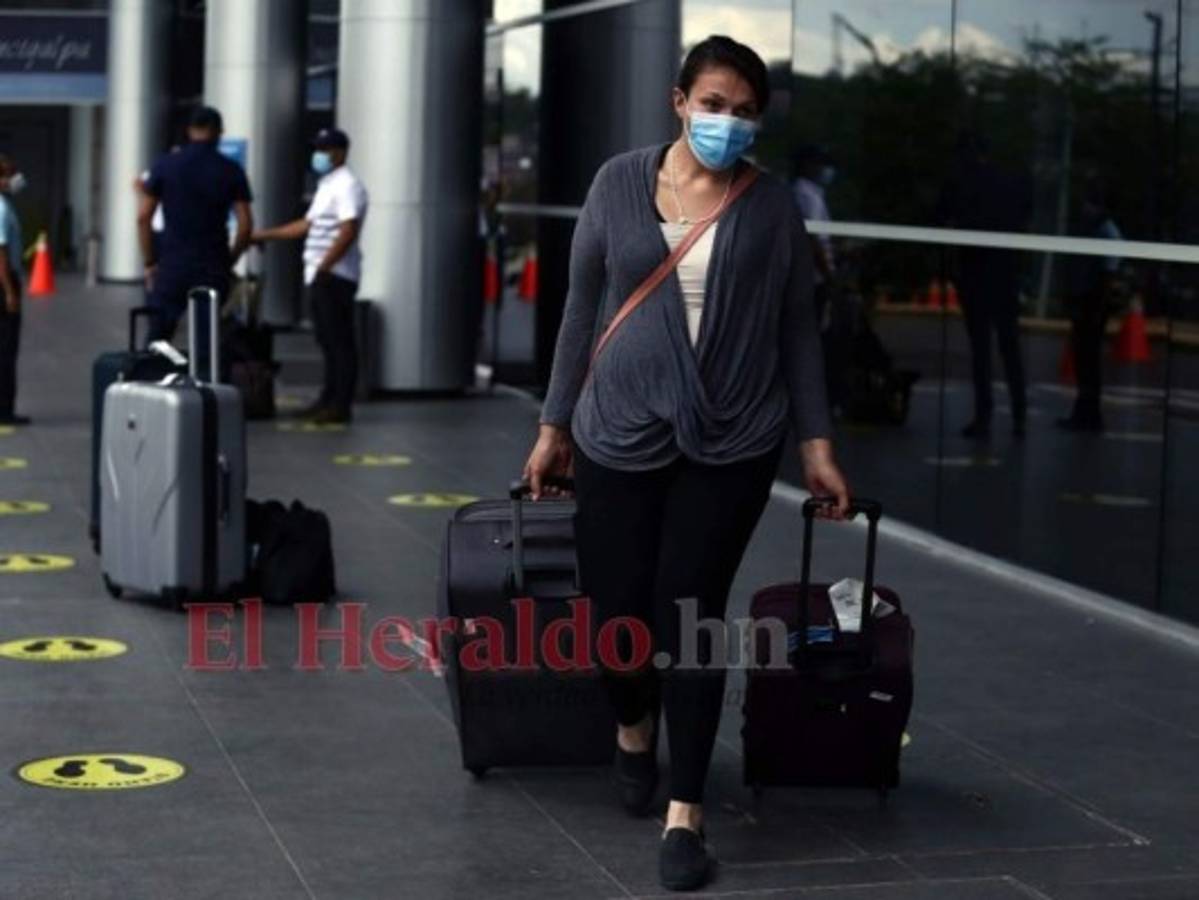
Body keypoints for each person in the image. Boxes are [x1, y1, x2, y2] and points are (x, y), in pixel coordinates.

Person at [522, 35, 850, 892]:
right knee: (615, 617)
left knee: (691, 612)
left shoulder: (771, 207)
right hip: (616, 429)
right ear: (678, 101)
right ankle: (633, 728)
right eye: (713, 105)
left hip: (733, 436)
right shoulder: (616, 183)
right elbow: (579, 311)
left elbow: (794, 333)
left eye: (744, 113)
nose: (727, 124)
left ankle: (686, 814)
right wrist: (553, 425)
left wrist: (816, 447)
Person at [252, 128, 368, 424]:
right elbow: (307, 225)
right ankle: (328, 400)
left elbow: (349, 229)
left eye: (325, 149)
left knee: (339, 342)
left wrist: (325, 266)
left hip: (335, 276)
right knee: (327, 341)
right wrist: (264, 235)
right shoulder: (327, 184)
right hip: (321, 274)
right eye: (317, 148)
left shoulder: (347, 186)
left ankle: (340, 405)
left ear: (341, 152)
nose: (319, 154)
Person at [137, 106, 253, 372]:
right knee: (207, 336)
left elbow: (144, 217)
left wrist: (150, 261)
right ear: (218, 132)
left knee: (159, 332)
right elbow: (245, 226)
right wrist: (230, 258)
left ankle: (153, 385)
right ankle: (205, 393)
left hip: (172, 264)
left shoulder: (165, 165)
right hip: (212, 264)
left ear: (189, 131)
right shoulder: (230, 170)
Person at [938, 133, 1032, 439]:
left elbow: (947, 219)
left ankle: (985, 414)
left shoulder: (964, 184)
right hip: (1004, 274)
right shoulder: (1009, 184)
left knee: (982, 349)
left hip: (977, 273)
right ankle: (1019, 413)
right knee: (1009, 346)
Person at [1058, 181, 1123, 432]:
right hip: (1086, 301)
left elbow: (1108, 272)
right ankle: (1083, 412)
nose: (1084, 208)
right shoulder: (1094, 228)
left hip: (1093, 304)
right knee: (1084, 360)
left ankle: (1089, 415)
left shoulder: (1105, 230)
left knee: (1089, 361)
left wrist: (1097, 306)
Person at [0, 155, 29, 425]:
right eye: (9, 174)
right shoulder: (1, 208)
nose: (15, 179)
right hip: (4, 282)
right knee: (6, 349)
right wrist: (9, 291)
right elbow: (1, 253)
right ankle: (4, 410)